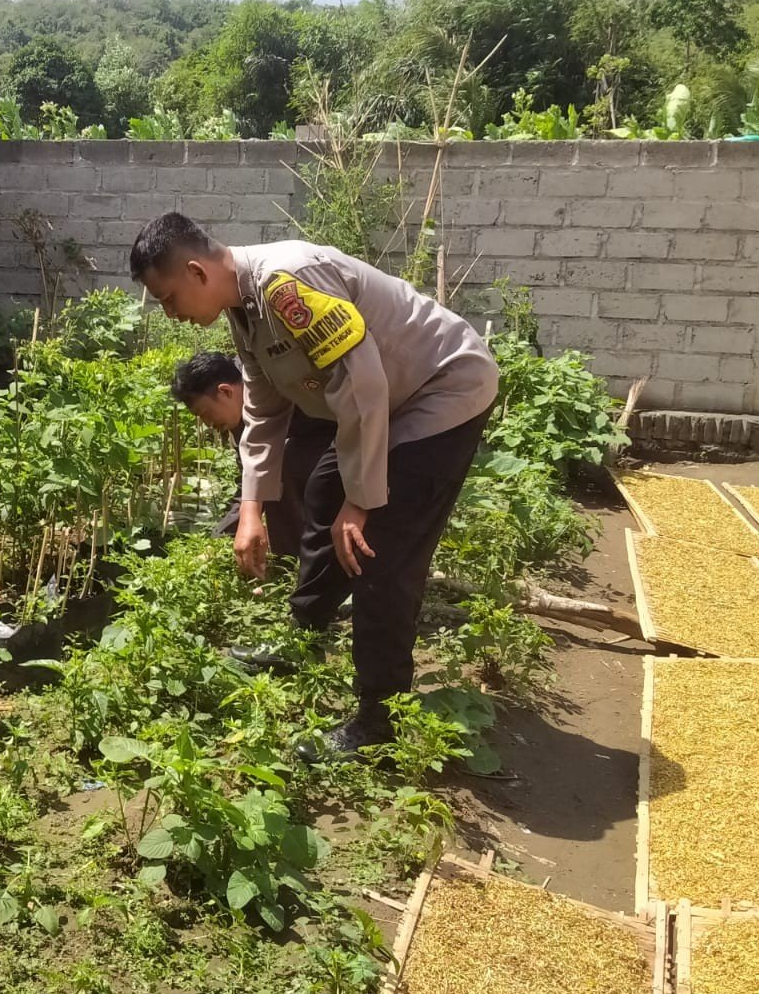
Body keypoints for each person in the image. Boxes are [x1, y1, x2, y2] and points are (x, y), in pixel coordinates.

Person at [131, 213, 499, 760]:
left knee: (380, 549)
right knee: (323, 493)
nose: (170, 313)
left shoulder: (288, 284)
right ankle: (305, 634)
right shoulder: (244, 308)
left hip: (440, 390)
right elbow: (261, 406)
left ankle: (378, 716)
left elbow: (364, 387)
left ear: (195, 270)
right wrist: (252, 507)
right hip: (388, 401)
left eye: (167, 297)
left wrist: (363, 499)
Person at [169, 352, 335, 559]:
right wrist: (220, 538)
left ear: (226, 391)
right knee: (265, 476)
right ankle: (290, 566)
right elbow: (248, 487)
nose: (207, 424)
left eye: (205, 413)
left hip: (345, 437)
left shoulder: (273, 378)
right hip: (310, 457)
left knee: (276, 467)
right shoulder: (238, 425)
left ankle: (299, 560)